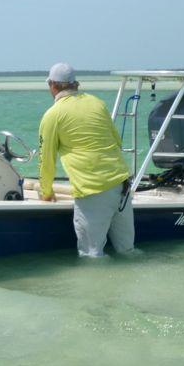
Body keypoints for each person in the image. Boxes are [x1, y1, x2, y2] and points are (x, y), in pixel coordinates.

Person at [38, 62, 135, 257]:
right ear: (75, 84)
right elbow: (116, 141)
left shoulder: (52, 115)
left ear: (53, 86)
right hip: (121, 185)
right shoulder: (97, 103)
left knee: (92, 256)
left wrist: (46, 192)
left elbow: (46, 160)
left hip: (92, 190)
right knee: (128, 251)